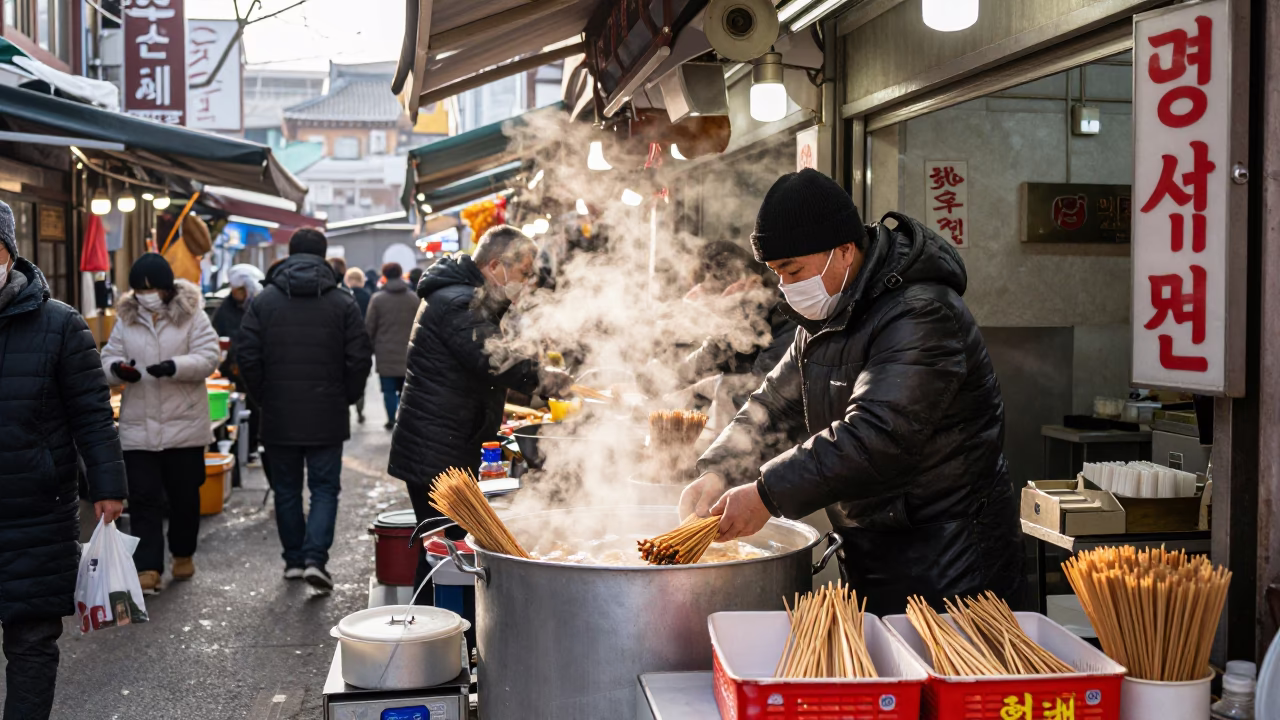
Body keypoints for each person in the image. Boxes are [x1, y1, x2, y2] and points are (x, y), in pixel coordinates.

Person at [681, 169, 1022, 615]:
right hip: (873, 547)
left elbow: (878, 435)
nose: (786, 287)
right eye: (777, 273)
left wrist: (766, 494)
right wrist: (720, 472)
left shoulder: (921, 313)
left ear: (844, 250)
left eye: (793, 270)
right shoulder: (825, 316)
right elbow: (774, 406)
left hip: (950, 562)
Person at [389, 226, 571, 596]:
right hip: (437, 447)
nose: (526, 281)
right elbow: (492, 360)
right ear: (494, 265)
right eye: (523, 272)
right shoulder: (457, 301)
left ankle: (444, 619)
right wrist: (546, 379)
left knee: (446, 547)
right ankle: (431, 621)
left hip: (446, 441)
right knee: (443, 552)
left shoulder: (463, 295)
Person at [0, 201, 126, 720]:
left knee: (31, 640)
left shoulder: (59, 324)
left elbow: (92, 414)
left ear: (9, 253)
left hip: (36, 511)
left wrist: (108, 486)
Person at [237, 228, 373, 591]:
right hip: (327, 411)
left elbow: (246, 354)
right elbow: (360, 356)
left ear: (290, 253)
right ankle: (316, 559)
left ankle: (294, 561)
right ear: (323, 256)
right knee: (324, 488)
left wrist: (264, 395)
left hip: (278, 412)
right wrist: (346, 396)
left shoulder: (264, 301)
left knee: (286, 489)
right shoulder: (342, 301)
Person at [102, 253, 221, 594]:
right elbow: (107, 357)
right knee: (143, 499)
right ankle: (148, 567)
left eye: (151, 289)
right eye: (140, 290)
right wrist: (118, 371)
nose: (146, 296)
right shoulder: (127, 318)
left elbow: (209, 357)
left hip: (184, 426)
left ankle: (183, 554)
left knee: (184, 497)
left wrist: (174, 366)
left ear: (166, 288)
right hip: (138, 426)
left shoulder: (192, 314)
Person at [679, 240, 797, 407]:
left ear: (743, 284)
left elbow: (767, 394)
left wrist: (707, 388)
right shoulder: (736, 323)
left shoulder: (785, 320)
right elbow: (701, 359)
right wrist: (659, 377)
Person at [211, 264, 266, 463]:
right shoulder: (225, 309)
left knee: (255, 408)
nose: (236, 294)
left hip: (254, 367)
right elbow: (219, 335)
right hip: (232, 370)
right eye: (234, 290)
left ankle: (252, 445)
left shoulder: (258, 306)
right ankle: (233, 448)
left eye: (240, 290)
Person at [364, 262, 419, 430]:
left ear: (385, 275)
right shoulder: (413, 298)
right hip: (409, 352)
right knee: (406, 391)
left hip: (384, 353)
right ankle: (404, 420)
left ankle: (390, 419)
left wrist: (369, 349)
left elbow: (370, 327)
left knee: (388, 391)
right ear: (401, 274)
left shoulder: (377, 299)